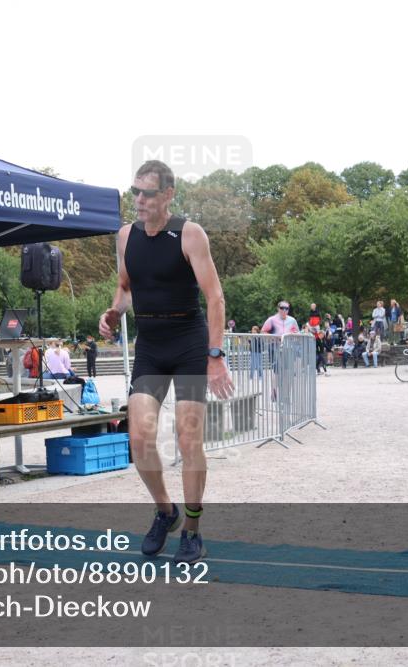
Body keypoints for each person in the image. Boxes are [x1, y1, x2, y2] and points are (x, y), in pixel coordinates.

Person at [99, 160, 232, 565]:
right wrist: (114, 312)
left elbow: (215, 298)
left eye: (148, 193)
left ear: (168, 195)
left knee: (188, 439)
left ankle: (192, 530)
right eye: (135, 191)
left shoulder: (189, 234)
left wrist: (215, 357)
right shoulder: (125, 237)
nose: (139, 200)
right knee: (138, 438)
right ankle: (165, 511)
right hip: (152, 345)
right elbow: (125, 287)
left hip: (189, 342)